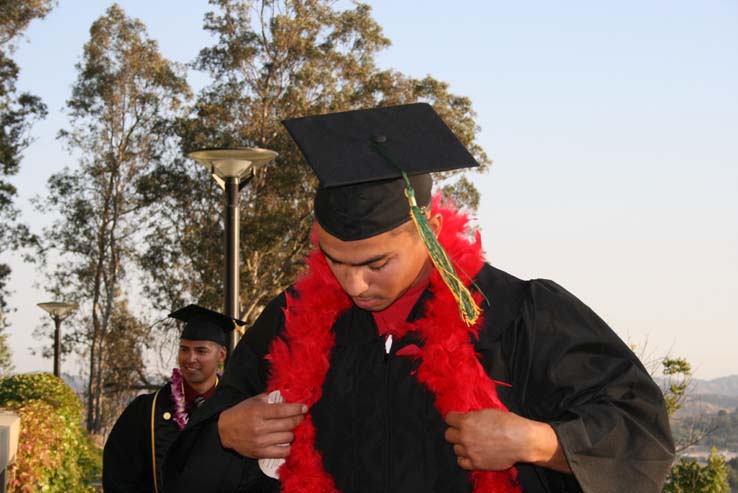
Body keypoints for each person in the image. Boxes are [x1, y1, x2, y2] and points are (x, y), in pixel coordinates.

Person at [163, 103, 675, 493]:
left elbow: (640, 434)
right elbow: (196, 447)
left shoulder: (520, 314)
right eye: (334, 260)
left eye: (375, 263)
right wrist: (227, 431)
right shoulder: (291, 320)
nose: (354, 286)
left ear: (428, 229)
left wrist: (538, 442)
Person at [103, 304, 243, 493]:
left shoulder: (239, 409)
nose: (190, 358)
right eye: (184, 349)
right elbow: (119, 476)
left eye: (201, 351)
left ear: (221, 355)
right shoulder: (145, 411)